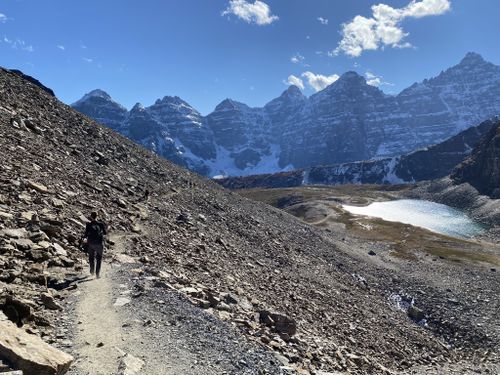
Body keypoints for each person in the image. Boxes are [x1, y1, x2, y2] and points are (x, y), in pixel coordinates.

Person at [81, 211, 107, 278]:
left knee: (91, 257)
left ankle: (92, 271)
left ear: (91, 216)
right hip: (99, 243)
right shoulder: (101, 224)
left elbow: (86, 234)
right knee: (99, 259)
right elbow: (105, 233)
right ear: (97, 216)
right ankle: (97, 274)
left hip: (91, 243)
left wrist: (83, 239)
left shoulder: (88, 224)